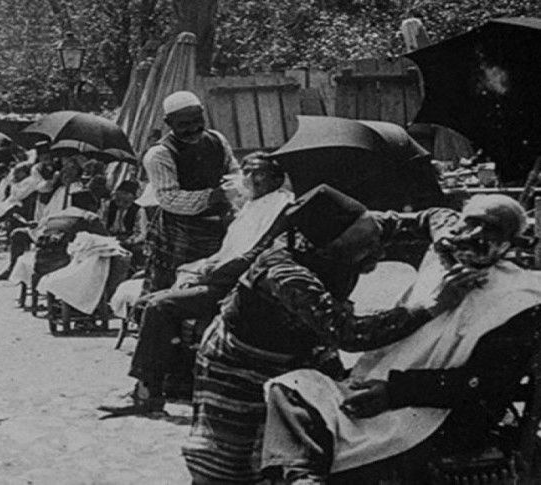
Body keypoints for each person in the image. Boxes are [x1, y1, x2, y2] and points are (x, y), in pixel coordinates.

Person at [181, 185, 488, 484]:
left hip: (307, 350)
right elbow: (348, 333)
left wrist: (447, 237)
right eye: (365, 250)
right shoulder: (284, 272)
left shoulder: (365, 227)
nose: (379, 252)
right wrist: (428, 308)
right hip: (243, 358)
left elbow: (433, 215)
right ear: (324, 251)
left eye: (376, 240)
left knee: (317, 438)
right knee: (228, 462)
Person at [261, 195, 541, 485]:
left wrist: (393, 392)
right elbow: (353, 334)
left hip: (436, 412)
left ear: (509, 243)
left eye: (492, 229)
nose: (476, 234)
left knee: (318, 435)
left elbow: (489, 382)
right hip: (385, 384)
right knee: (291, 387)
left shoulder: (519, 297)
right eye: (471, 222)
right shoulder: (439, 265)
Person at [99, 153, 294, 416]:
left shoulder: (281, 208)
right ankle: (175, 383)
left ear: (276, 179)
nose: (249, 179)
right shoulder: (251, 206)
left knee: (159, 306)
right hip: (223, 277)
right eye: (246, 172)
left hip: (240, 287)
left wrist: (209, 275)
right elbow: (227, 251)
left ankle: (147, 395)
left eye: (258, 173)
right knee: (146, 302)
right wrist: (199, 267)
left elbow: (254, 255)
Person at [141, 90, 239, 294]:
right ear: (168, 122)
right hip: (181, 232)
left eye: (197, 120)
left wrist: (236, 186)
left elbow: (233, 171)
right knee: (173, 291)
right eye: (184, 124)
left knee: (218, 283)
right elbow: (169, 198)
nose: (193, 128)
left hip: (219, 228)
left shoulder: (217, 140)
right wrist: (213, 196)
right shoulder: (159, 154)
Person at [99, 180, 148, 268]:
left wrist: (129, 241)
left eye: (125, 202)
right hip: (109, 236)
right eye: (118, 200)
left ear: (133, 199)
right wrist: (106, 236)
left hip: (128, 239)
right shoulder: (108, 205)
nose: (121, 204)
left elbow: (141, 233)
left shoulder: (139, 211)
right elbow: (101, 222)